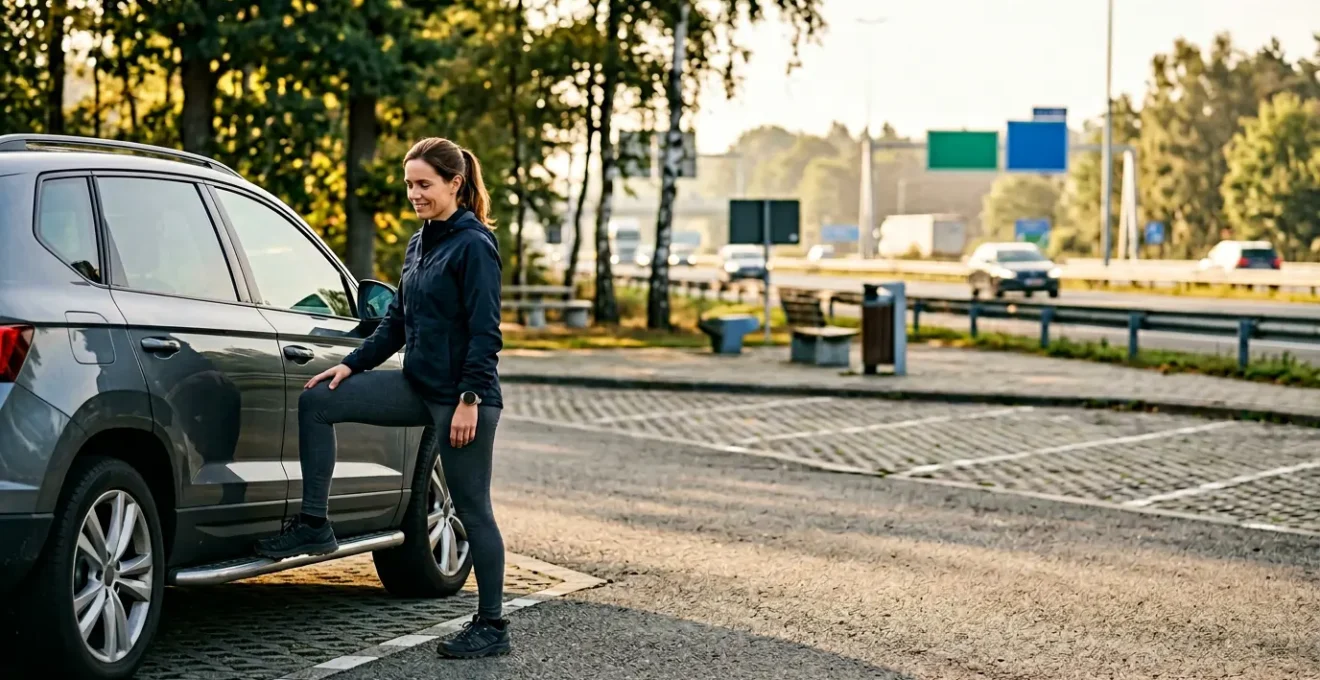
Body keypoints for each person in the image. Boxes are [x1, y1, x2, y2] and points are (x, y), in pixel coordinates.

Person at [254, 137, 510, 659]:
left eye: (424, 184)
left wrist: (470, 398)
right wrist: (349, 365)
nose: (414, 193)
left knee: (472, 509)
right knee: (319, 401)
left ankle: (491, 625)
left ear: (454, 184)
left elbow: (486, 332)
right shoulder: (421, 243)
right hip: (417, 387)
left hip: (462, 399)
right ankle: (314, 526)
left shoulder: (474, 245)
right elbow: (396, 323)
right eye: (410, 184)